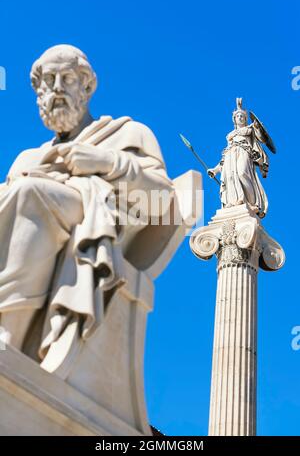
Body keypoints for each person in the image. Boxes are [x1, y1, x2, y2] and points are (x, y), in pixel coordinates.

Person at [0, 45, 173, 358]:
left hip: (92, 219)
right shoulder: (27, 158)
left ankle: (8, 335)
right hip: (40, 210)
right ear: (37, 93)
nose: (56, 89)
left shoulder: (126, 133)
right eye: (48, 81)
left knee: (29, 194)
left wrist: (107, 162)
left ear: (87, 86)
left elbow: (162, 201)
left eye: (66, 78)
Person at [208, 98, 270, 218]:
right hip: (230, 154)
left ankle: (252, 204)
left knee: (242, 173)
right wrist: (215, 170)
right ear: (234, 119)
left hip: (244, 151)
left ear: (246, 119)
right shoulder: (230, 136)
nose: (240, 118)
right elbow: (223, 159)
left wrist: (258, 127)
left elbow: (262, 139)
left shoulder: (249, 129)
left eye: (242, 116)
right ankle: (234, 202)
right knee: (230, 177)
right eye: (238, 116)